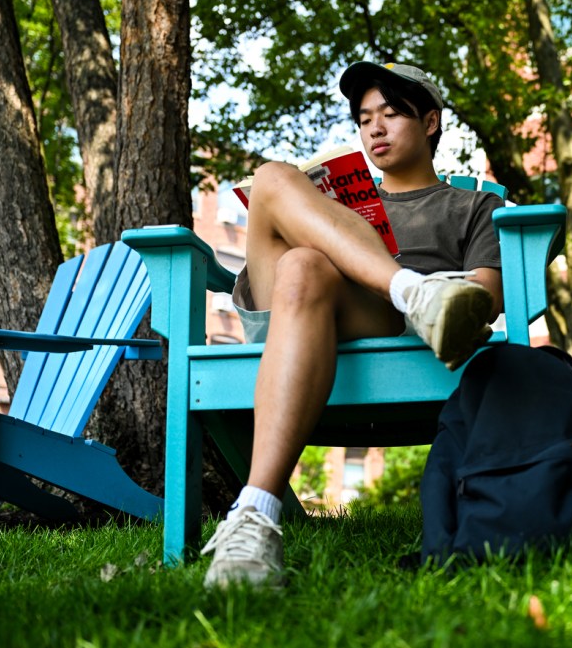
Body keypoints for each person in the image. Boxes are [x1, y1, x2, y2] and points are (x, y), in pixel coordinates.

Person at [200, 62, 506, 588]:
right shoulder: (322, 205)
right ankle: (411, 287)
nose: (375, 129)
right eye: (364, 119)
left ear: (430, 122)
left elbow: (485, 299)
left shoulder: (472, 205)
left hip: (387, 325)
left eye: (391, 113)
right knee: (277, 188)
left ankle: (253, 515)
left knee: (302, 259)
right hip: (291, 315)